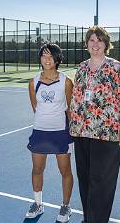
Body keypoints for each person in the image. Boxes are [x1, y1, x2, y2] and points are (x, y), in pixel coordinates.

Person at [69, 26, 120, 223]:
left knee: (102, 182)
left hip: (107, 134)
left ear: (106, 44)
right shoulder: (81, 68)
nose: (95, 44)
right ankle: (89, 218)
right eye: (91, 40)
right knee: (86, 179)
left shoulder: (116, 68)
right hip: (82, 132)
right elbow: (76, 98)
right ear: (87, 44)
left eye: (99, 40)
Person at [25, 43, 74, 223]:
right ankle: (38, 204)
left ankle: (66, 207)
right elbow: (35, 107)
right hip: (40, 131)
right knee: (37, 169)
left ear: (57, 59)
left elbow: (70, 109)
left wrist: (71, 131)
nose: (47, 59)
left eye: (51, 56)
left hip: (61, 132)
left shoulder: (66, 81)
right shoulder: (33, 82)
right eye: (44, 55)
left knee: (65, 170)